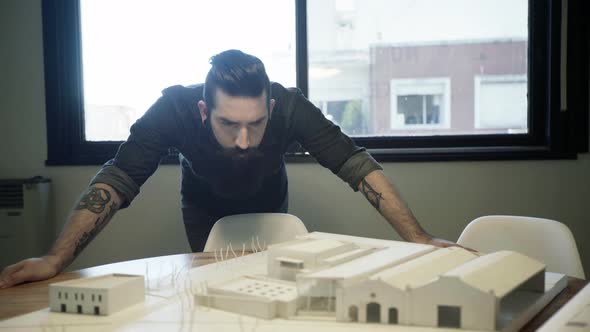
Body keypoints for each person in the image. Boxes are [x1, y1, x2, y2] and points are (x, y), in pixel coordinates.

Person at [0, 49, 460, 289]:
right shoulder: (172, 109)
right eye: (228, 124)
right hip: (202, 205)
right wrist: (55, 259)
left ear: (272, 107)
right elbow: (116, 180)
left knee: (275, 286)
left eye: (256, 124)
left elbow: (358, 167)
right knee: (217, 288)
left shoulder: (292, 108)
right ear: (203, 110)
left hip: (270, 202)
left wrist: (418, 238)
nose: (244, 140)